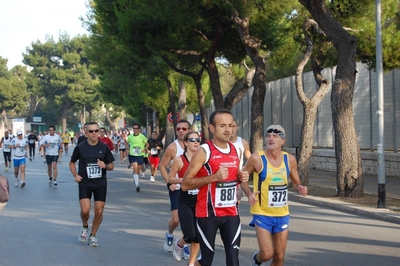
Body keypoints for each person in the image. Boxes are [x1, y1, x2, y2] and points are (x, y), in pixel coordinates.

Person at [181, 109, 249, 266]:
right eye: (223, 126)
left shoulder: (236, 150)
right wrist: (213, 177)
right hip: (207, 214)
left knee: (233, 260)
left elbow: (233, 178)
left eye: (230, 126)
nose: (228, 130)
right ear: (212, 128)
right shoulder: (204, 151)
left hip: (231, 213)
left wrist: (241, 178)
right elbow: (185, 184)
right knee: (206, 261)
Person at [241, 124, 308, 266]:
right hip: (262, 213)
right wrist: (249, 194)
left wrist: (300, 188)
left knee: (279, 257)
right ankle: (257, 259)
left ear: (282, 141)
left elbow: (296, 182)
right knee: (267, 254)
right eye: (268, 135)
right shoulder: (256, 159)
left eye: (275, 136)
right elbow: (242, 178)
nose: (271, 138)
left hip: (282, 214)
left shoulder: (289, 159)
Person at [69, 121, 115, 247]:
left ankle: (93, 235)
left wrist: (105, 165)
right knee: (85, 210)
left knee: (99, 212)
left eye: (97, 131)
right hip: (85, 182)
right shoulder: (81, 147)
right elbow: (72, 162)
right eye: (91, 131)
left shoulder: (104, 147)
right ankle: (85, 226)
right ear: (86, 133)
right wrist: (75, 175)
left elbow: (111, 166)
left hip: (100, 183)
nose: (94, 133)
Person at [159, 119, 191, 252]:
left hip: (192, 188)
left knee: (190, 219)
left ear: (189, 130)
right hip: (177, 188)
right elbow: (162, 166)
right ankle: (170, 234)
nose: (181, 131)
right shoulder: (173, 147)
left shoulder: (197, 146)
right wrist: (169, 182)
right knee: (176, 219)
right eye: (178, 129)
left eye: (184, 128)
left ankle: (185, 245)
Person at [169, 131, 201, 264]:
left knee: (198, 236)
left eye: (198, 140)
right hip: (185, 200)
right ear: (186, 143)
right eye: (192, 140)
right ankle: (180, 243)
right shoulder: (179, 160)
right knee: (190, 235)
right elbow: (171, 178)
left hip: (200, 200)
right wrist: (183, 180)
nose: (196, 142)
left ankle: (192, 263)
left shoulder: (203, 159)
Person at [230, 119, 251, 201]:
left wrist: (244, 169)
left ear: (237, 128)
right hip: (224, 177)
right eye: (229, 126)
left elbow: (250, 159)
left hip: (238, 177)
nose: (231, 129)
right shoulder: (222, 142)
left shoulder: (243, 142)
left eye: (233, 126)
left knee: (236, 203)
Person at [126, 123, 147, 192]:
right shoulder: (130, 137)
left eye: (136, 128)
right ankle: (137, 185)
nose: (135, 130)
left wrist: (145, 149)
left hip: (140, 155)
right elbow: (126, 141)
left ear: (139, 129)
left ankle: (135, 178)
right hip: (132, 154)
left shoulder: (142, 136)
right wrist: (127, 149)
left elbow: (147, 144)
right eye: (134, 128)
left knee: (138, 170)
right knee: (135, 168)